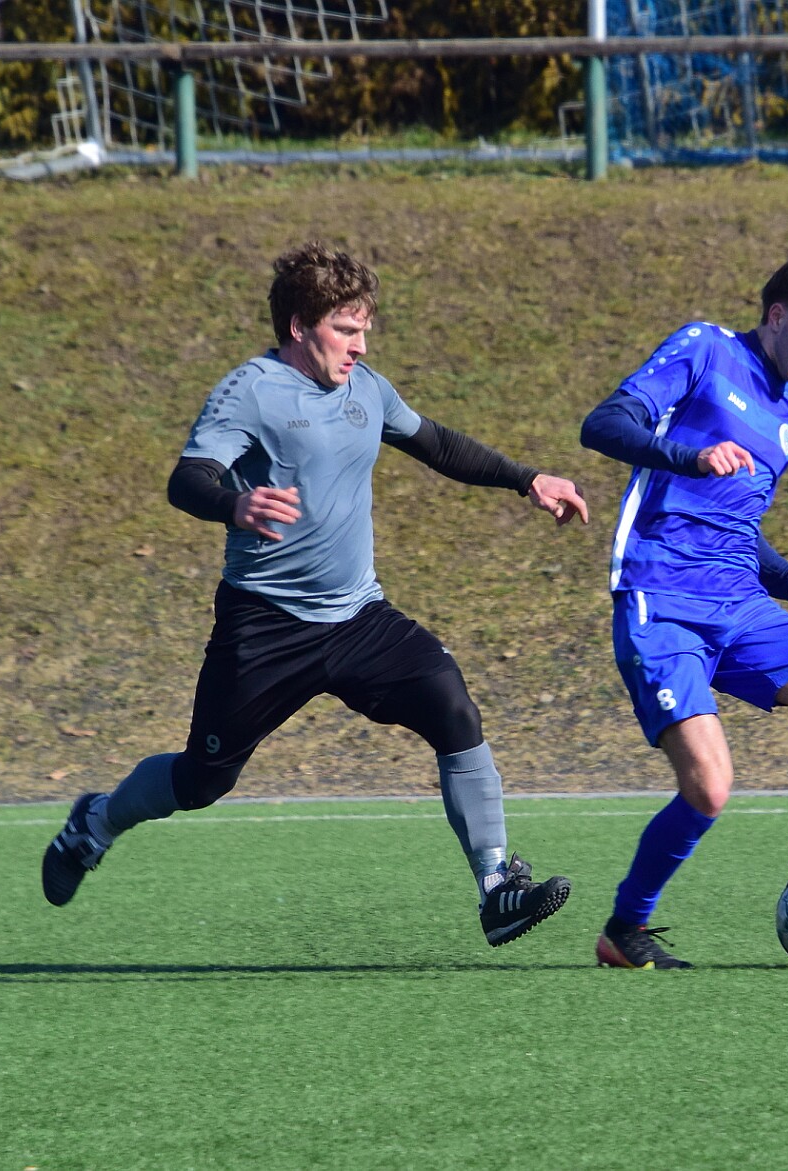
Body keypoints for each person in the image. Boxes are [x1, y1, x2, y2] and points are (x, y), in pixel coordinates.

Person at [43, 242, 589, 947]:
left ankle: (496, 888)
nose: (361, 345)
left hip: (359, 616)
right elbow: (188, 479)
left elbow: (438, 444)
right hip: (265, 625)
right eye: (346, 329)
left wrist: (528, 479)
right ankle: (94, 823)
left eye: (365, 329)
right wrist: (234, 504)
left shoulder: (367, 389)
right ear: (300, 326)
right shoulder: (251, 390)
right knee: (202, 780)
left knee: (452, 707)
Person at [579, 249, 788, 969]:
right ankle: (625, 929)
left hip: (741, 605)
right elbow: (602, 424)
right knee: (710, 787)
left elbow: (738, 525)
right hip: (661, 599)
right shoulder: (705, 349)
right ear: (777, 315)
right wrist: (689, 456)